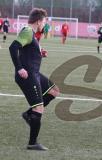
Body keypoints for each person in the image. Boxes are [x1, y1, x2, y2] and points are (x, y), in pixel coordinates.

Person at [9, 8, 60, 151]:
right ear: (38, 21)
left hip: (35, 73)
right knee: (39, 108)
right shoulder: (27, 31)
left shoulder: (31, 34)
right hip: (27, 76)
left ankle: (29, 114)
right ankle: (32, 143)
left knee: (54, 91)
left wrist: (40, 52)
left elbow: (28, 50)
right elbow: (13, 47)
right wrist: (19, 68)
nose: (44, 24)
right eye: (44, 21)